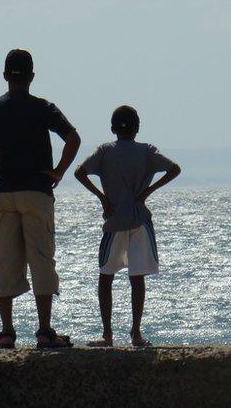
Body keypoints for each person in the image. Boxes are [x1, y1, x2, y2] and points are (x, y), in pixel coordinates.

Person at [0, 49, 81, 349]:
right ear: (32, 76)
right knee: (42, 258)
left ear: (6, 76)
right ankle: (45, 331)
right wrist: (59, 171)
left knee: (6, 260)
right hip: (36, 189)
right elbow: (73, 138)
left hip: (3, 190)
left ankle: (7, 331)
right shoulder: (43, 108)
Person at [74, 105, 180, 347]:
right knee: (137, 277)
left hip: (115, 220)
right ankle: (136, 333)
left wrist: (102, 197)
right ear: (137, 128)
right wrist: (147, 191)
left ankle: (107, 334)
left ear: (112, 128)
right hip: (139, 219)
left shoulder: (105, 151)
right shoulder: (146, 151)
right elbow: (174, 169)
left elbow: (80, 173)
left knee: (106, 276)